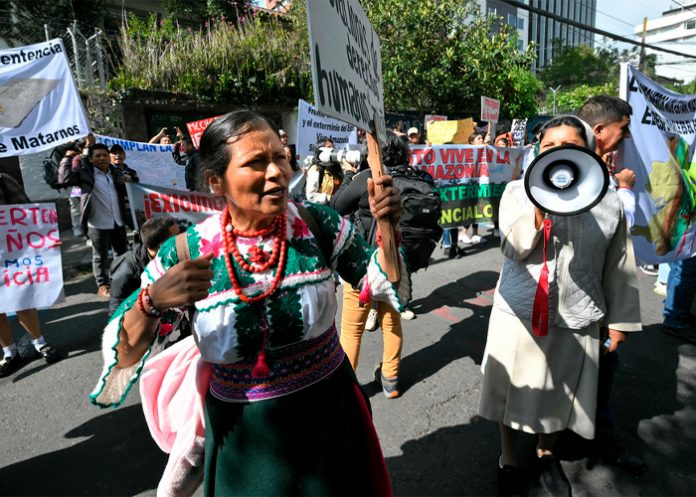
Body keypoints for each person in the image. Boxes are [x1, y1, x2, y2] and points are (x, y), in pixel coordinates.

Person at [89, 110, 409, 496]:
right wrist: (151, 303)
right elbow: (121, 361)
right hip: (244, 439)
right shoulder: (185, 252)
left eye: (279, 156)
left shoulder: (320, 225)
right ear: (215, 180)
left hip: (331, 419)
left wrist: (388, 229)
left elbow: (392, 291)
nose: (277, 171)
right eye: (256, 162)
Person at [478, 115, 641, 496]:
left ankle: (546, 453)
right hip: (518, 315)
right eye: (550, 146)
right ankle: (508, 458)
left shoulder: (608, 200)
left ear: (586, 151)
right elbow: (512, 247)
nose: (558, 153)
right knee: (509, 392)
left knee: (557, 395)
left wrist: (618, 323)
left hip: (576, 315)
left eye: (570, 146)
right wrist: (539, 207)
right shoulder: (518, 192)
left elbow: (618, 265)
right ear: (537, 150)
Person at [577, 95, 647, 473]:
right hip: (584, 297)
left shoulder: (596, 168)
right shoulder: (583, 173)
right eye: (622, 130)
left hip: (597, 298)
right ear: (601, 130)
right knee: (596, 370)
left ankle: (594, 436)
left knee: (602, 368)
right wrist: (623, 190)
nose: (625, 139)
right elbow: (615, 228)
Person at [331, 130, 413, 398]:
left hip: (364, 267)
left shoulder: (367, 178)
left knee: (352, 330)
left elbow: (336, 205)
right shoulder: (405, 177)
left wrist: (347, 175)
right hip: (393, 263)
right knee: (392, 323)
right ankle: (391, 379)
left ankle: (347, 387)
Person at [0, 173, 61, 377]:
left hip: (9, 252)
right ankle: (9, 352)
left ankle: (39, 343)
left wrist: (45, 237)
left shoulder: (2, 180)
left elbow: (27, 214)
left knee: (21, 299)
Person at [59, 143, 130, 297]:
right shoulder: (86, 175)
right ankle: (102, 285)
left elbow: (128, 184)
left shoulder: (115, 172)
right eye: (97, 156)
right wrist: (67, 158)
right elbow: (64, 179)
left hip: (117, 221)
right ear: (90, 159)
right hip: (97, 223)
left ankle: (120, 281)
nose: (102, 158)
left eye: (105, 155)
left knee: (122, 254)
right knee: (100, 257)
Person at [108, 218, 180, 316]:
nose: (182, 238)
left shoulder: (174, 255)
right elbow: (116, 312)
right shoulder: (125, 268)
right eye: (177, 236)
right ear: (162, 245)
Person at [305, 137, 343, 205]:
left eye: (333, 147)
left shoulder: (337, 168)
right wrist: (330, 198)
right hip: (325, 211)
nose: (332, 149)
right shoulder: (315, 169)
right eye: (329, 147)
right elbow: (311, 196)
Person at [461, 132, 484, 244]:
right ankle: (463, 232)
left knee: (477, 209)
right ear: (472, 141)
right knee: (470, 209)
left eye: (482, 138)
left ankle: (475, 233)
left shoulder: (484, 150)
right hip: (469, 185)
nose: (481, 139)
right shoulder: (467, 152)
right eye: (479, 138)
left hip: (479, 184)